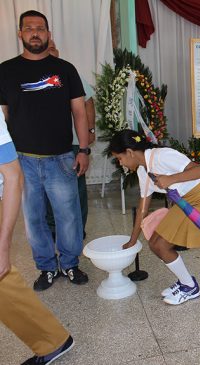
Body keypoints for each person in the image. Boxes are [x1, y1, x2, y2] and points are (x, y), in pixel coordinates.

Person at [0, 10, 89, 291]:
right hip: (21, 161)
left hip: (61, 157)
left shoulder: (65, 69)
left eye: (40, 28)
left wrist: (84, 149)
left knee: (68, 216)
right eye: (29, 28)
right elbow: (1, 116)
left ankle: (71, 264)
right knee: (33, 219)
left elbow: (79, 111)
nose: (35, 33)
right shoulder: (5, 71)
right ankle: (47, 267)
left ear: (49, 34)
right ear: (20, 34)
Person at [109, 129, 200, 305]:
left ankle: (190, 287)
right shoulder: (142, 171)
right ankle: (186, 282)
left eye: (120, 158)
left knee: (160, 244)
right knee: (154, 243)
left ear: (130, 152)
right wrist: (132, 240)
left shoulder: (162, 156)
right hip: (184, 203)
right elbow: (142, 209)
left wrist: (171, 179)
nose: (120, 163)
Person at [0, 108, 74, 365]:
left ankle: (52, 340)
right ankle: (53, 340)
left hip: (54, 155)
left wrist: (3, 247)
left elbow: (12, 176)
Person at [45, 40, 96, 240]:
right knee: (47, 190)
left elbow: (88, 102)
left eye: (51, 48)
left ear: (56, 51)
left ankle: (78, 228)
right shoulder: (32, 76)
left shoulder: (68, 72)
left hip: (74, 142)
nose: (49, 52)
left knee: (76, 188)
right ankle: (53, 228)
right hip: (45, 145)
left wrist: (90, 129)